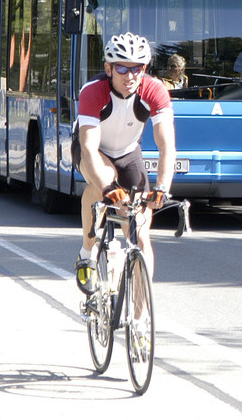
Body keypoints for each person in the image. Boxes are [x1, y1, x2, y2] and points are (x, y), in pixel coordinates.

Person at [74, 32, 176, 295]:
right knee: (103, 180)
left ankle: (141, 321)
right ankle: (87, 254)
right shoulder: (93, 91)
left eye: (137, 68)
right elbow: (88, 147)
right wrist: (108, 189)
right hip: (93, 150)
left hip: (129, 152)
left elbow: (167, 146)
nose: (130, 76)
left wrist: (163, 188)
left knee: (141, 232)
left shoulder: (154, 90)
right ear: (108, 68)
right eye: (122, 68)